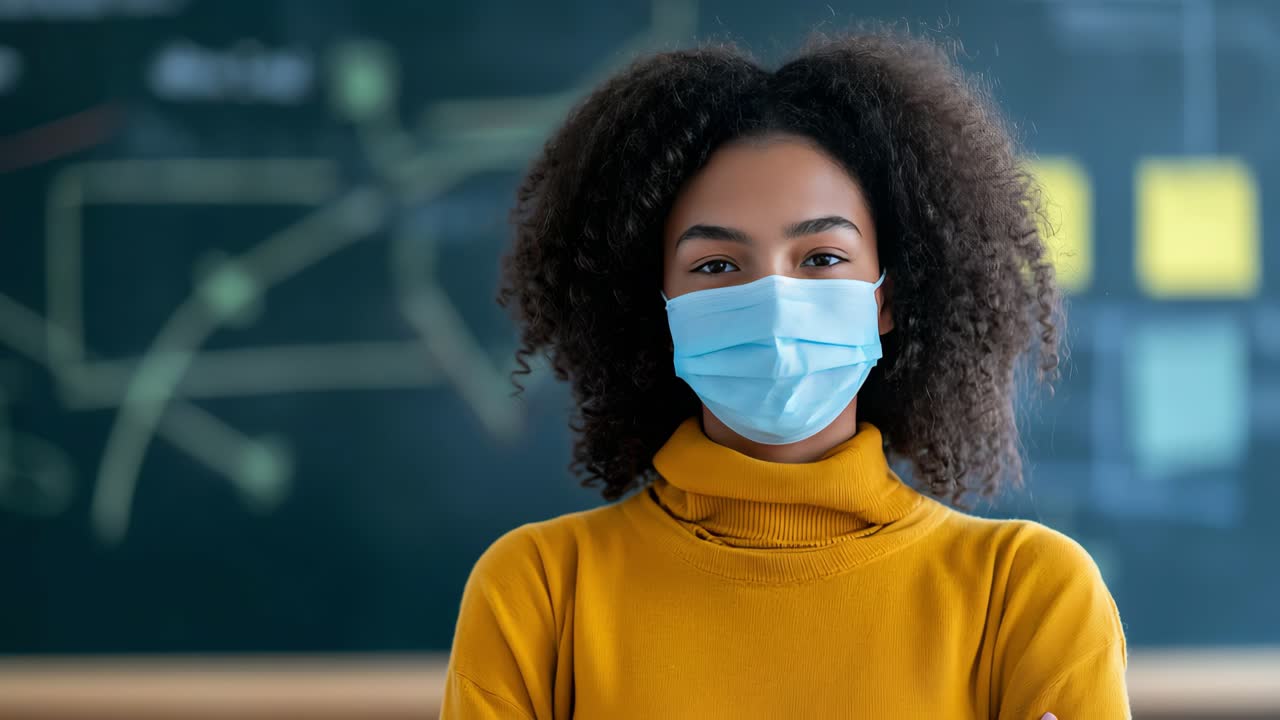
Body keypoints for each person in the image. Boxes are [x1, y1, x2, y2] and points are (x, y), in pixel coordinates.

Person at [440, 29, 1129, 720]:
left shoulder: (1024, 596)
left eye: (821, 258)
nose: (773, 297)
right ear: (660, 308)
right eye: (716, 266)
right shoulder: (539, 594)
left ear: (888, 296)